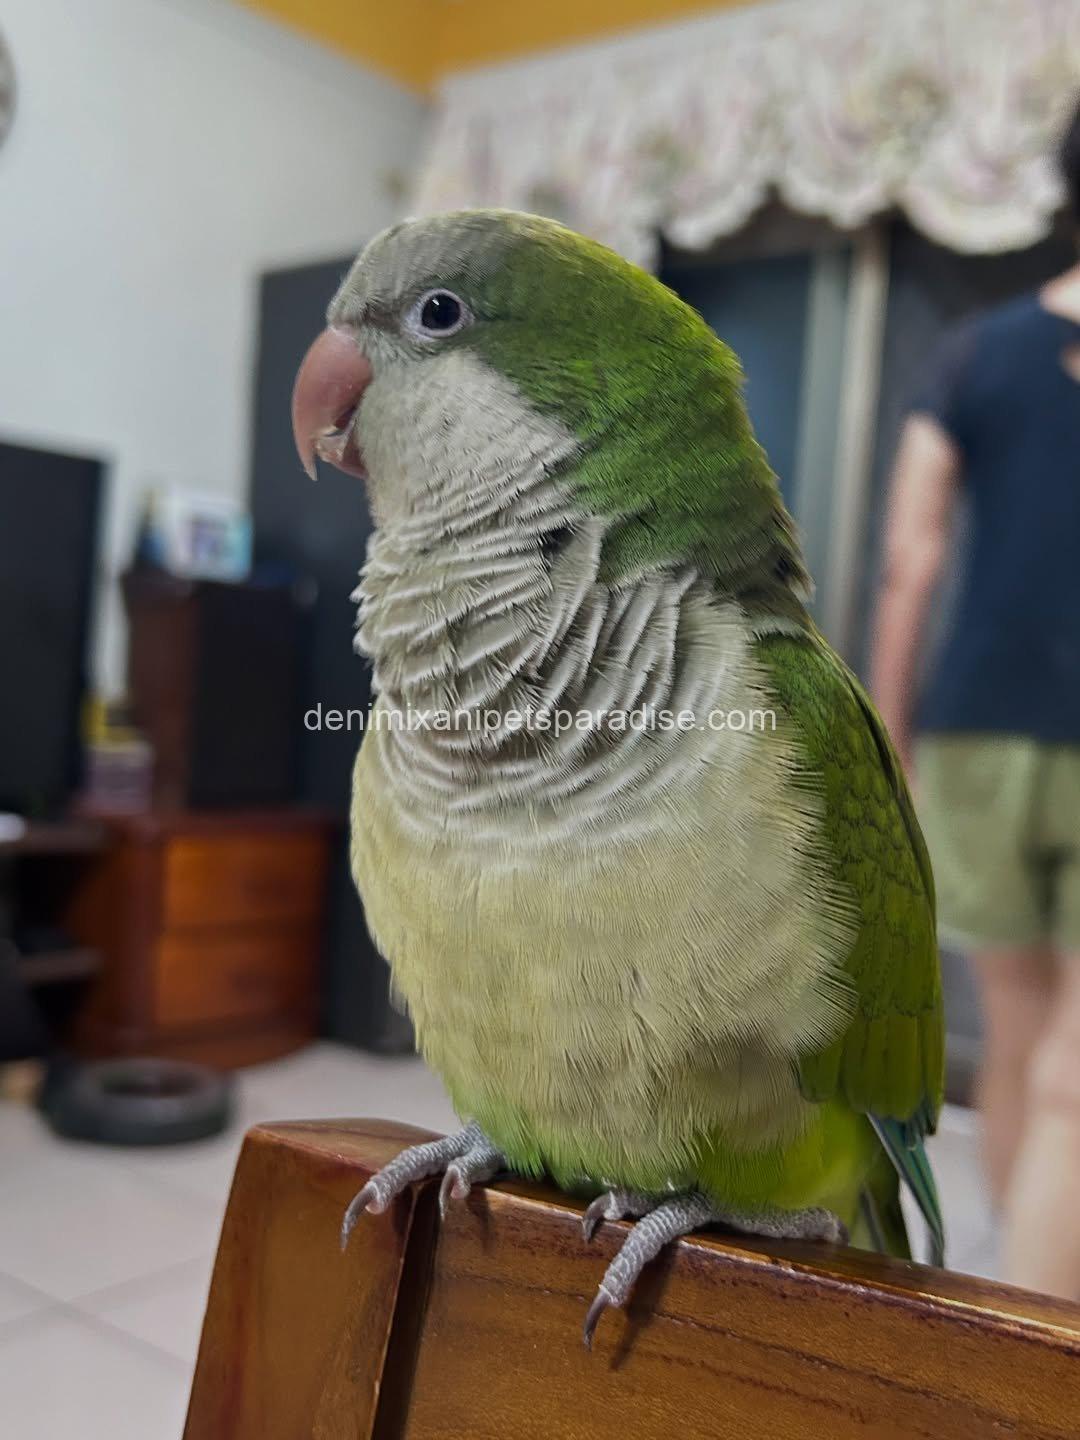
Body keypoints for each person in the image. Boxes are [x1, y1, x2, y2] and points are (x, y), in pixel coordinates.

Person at [871, 102, 1080, 1299]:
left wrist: (888, 737)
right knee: (1074, 1068)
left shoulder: (973, 353)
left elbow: (912, 560)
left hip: (977, 732)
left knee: (1013, 1027)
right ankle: (1049, 1334)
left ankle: (1016, 1282)